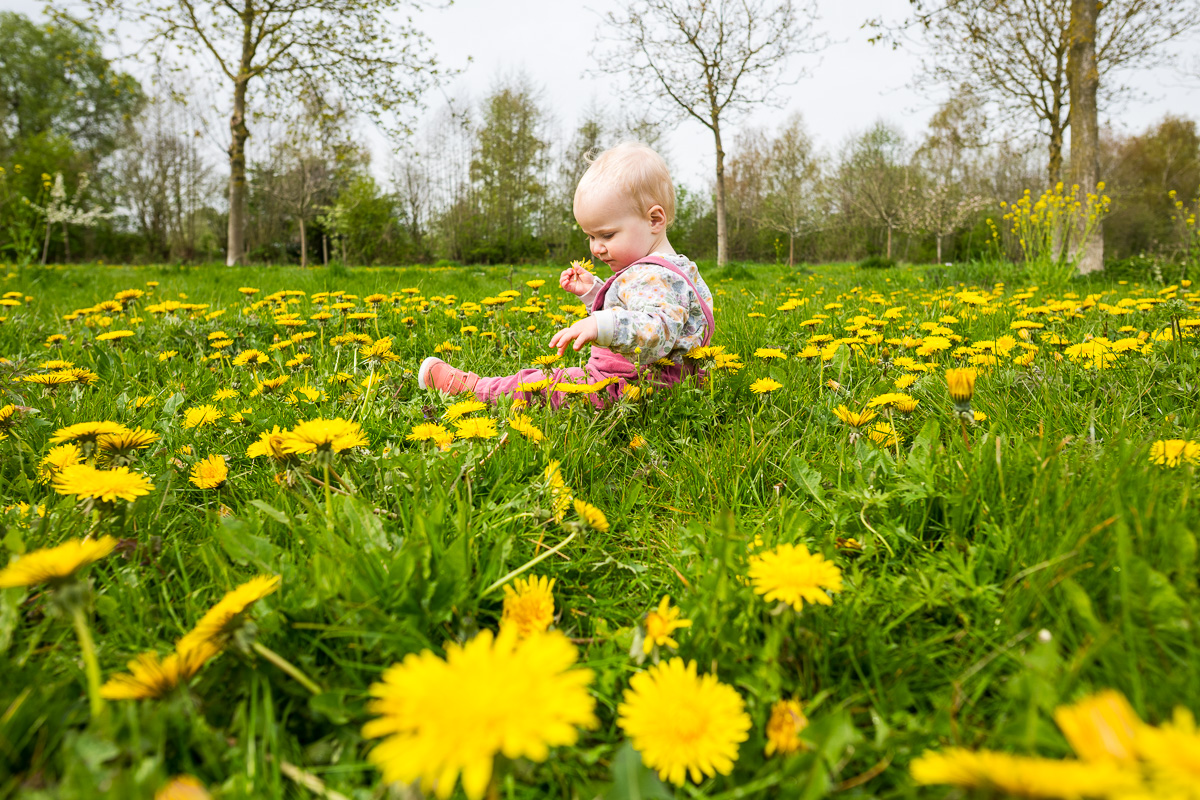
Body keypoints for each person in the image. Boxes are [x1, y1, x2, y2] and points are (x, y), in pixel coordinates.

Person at [417, 142, 714, 408]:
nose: (597, 248)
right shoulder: (672, 270)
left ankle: (473, 389)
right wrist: (593, 292)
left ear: (654, 219)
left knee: (545, 384)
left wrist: (600, 323)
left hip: (631, 388)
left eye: (607, 235)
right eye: (590, 236)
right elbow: (637, 310)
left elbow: (656, 330)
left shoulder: (654, 276)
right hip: (657, 385)